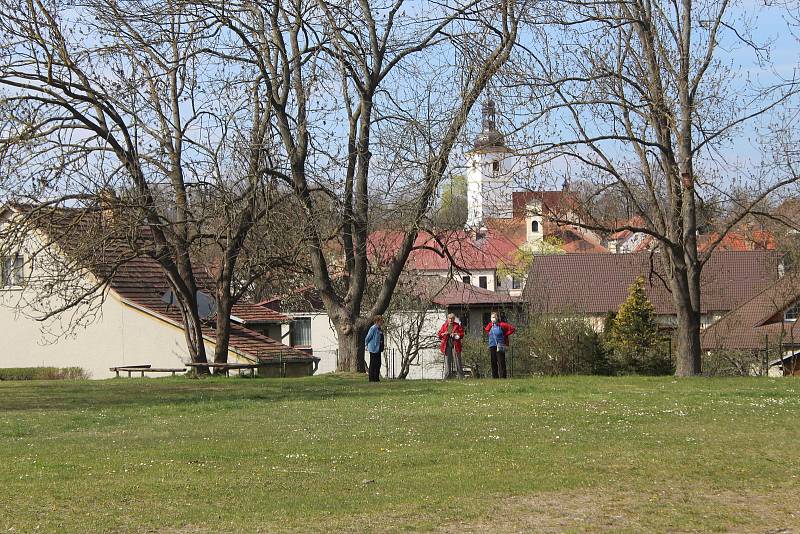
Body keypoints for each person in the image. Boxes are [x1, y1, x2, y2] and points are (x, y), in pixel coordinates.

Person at [484, 312, 516, 378]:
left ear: (497, 318)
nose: (493, 319)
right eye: (492, 317)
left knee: (501, 361)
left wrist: (505, 334)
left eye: (494, 317)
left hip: (500, 345)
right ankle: (495, 377)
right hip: (492, 345)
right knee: (493, 361)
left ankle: (503, 377)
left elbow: (512, 329)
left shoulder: (502, 324)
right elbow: (486, 330)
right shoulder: (490, 325)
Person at [437, 313, 465, 379]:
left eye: (452, 318)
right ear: (447, 319)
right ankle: (447, 376)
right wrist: (444, 333)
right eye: (449, 318)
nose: (451, 320)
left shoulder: (457, 325)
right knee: (447, 360)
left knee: (457, 360)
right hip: (447, 344)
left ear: (454, 319)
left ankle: (460, 376)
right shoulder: (444, 325)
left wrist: (455, 334)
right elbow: (439, 334)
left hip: (455, 344)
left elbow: (461, 334)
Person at [364, 315, 384, 382]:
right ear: (377, 321)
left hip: (378, 348)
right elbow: (368, 337)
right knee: (373, 363)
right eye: (381, 320)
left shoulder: (379, 328)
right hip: (373, 348)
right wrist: (366, 344)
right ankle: (372, 379)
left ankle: (376, 378)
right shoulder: (373, 328)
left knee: (378, 363)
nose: (382, 322)